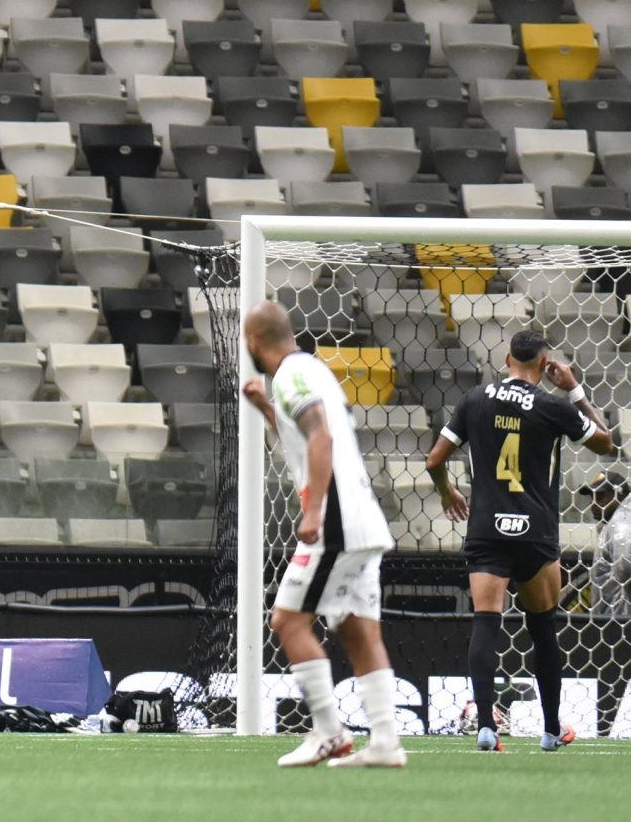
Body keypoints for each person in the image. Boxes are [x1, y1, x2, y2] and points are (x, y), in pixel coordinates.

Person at [428, 330, 617, 753]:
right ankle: (551, 730)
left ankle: (486, 728)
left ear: (507, 357)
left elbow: (434, 459)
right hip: (535, 531)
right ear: (545, 361)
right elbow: (606, 443)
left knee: (485, 622)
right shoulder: (552, 405)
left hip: (487, 530)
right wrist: (574, 390)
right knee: (543, 629)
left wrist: (446, 490)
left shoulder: (475, 399)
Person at [240, 302, 406, 768]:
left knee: (288, 621)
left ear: (254, 342)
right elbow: (303, 432)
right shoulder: (312, 370)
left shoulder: (289, 374)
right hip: (364, 521)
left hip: (335, 522)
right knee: (358, 629)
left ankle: (329, 732)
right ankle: (387, 743)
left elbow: (321, 437)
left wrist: (313, 511)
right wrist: (266, 410)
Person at [581, 470, 631, 621]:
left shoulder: (621, 525)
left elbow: (626, 567)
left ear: (620, 494)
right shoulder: (615, 523)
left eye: (600, 497)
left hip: (619, 624)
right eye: (592, 498)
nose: (593, 504)